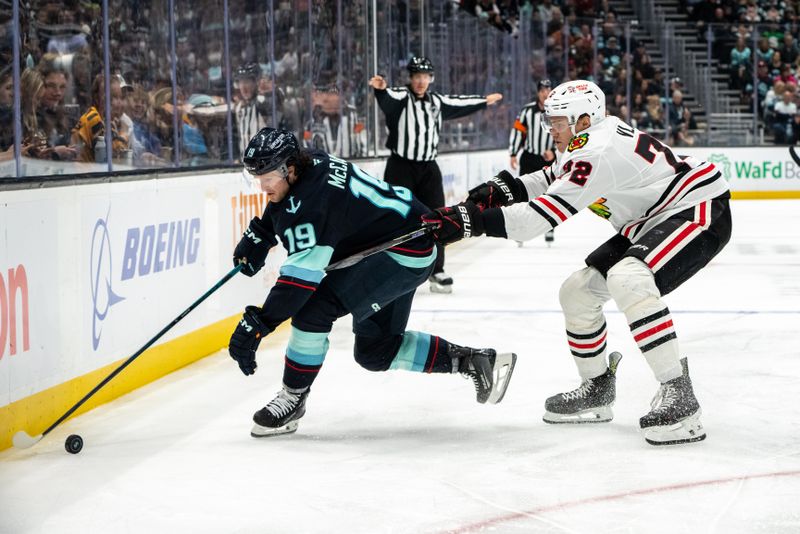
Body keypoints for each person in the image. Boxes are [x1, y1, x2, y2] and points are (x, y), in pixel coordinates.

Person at [423, 80, 732, 446]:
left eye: (556, 121)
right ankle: (598, 388)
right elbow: (553, 176)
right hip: (651, 217)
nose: (549, 128)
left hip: (696, 207)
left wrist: (471, 221)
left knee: (629, 277)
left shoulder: (595, 150)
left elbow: (533, 222)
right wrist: (502, 190)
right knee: (577, 292)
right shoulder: (587, 140)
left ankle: (680, 396)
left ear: (583, 120)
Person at [227, 127, 516, 437]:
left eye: (267, 179)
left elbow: (298, 283)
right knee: (376, 351)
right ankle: (474, 361)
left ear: (290, 169)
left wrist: (260, 324)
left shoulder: (314, 207)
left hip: (399, 254)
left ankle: (293, 398)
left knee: (313, 311)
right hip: (406, 245)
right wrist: (262, 231)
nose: (262, 187)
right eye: (258, 179)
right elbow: (287, 204)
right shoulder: (314, 162)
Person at [368, 56, 503, 293]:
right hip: (401, 167)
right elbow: (388, 99)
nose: (420, 81)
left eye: (425, 77)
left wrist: (483, 101)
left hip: (428, 168)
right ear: (410, 78)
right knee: (394, 218)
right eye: (416, 76)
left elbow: (460, 103)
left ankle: (437, 270)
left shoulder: (436, 101)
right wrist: (380, 91)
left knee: (438, 218)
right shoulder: (401, 97)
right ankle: (389, 270)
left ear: (431, 79)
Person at [508, 79, 556, 244]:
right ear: (538, 92)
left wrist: (555, 152)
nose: (545, 93)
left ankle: (549, 228)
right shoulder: (527, 111)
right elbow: (518, 131)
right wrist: (513, 153)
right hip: (529, 157)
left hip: (548, 158)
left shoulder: (557, 111)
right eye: (542, 90)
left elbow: (564, 133)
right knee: (522, 194)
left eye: (548, 90)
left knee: (549, 194)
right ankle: (520, 229)